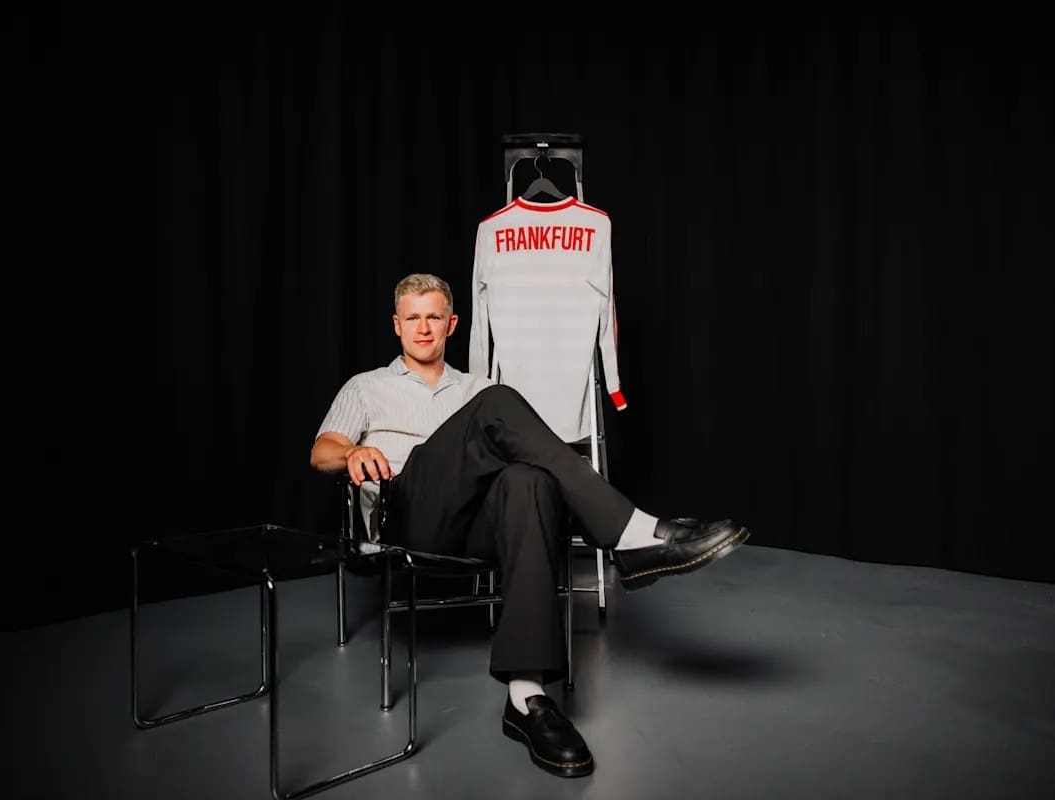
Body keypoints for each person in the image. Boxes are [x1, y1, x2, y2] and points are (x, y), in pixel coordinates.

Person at [310, 273, 749, 779]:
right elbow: (321, 451)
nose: (424, 328)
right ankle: (632, 534)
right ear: (397, 325)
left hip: (473, 525)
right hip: (406, 516)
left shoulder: (476, 389)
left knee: (528, 481)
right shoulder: (367, 386)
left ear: (452, 324)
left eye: (434, 317)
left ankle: (527, 696)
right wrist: (354, 451)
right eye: (413, 318)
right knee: (498, 407)